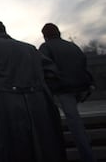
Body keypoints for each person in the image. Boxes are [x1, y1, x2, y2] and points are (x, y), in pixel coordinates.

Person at [0, 20, 67, 162]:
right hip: (36, 104)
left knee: (5, 148)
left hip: (2, 106)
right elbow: (51, 72)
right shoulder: (30, 48)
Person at [39, 23, 96, 162]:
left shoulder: (46, 47)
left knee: (73, 123)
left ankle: (87, 156)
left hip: (63, 88)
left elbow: (44, 67)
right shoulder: (72, 46)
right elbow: (83, 63)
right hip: (81, 87)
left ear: (45, 36)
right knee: (74, 119)